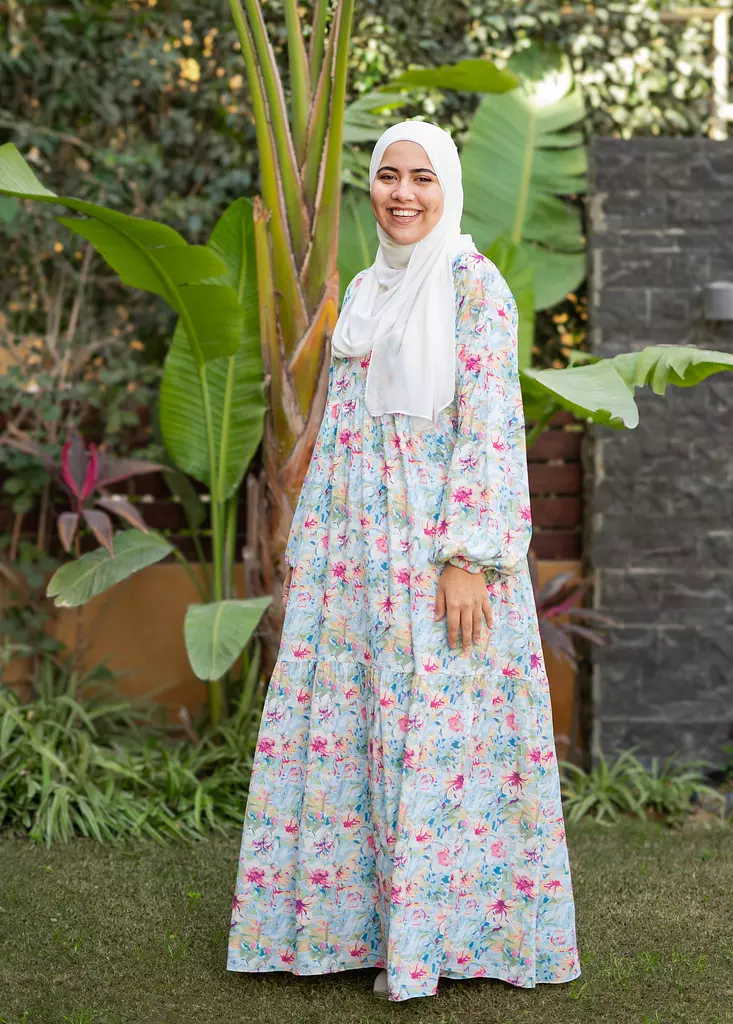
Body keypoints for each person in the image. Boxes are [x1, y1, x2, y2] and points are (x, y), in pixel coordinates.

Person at [227, 120, 580, 1002]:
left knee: (438, 738)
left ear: (447, 186)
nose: (403, 194)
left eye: (422, 177)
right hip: (356, 556)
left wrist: (469, 556)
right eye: (387, 176)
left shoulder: (472, 286)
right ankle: (352, 926)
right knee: (356, 735)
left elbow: (493, 426)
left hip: (433, 553)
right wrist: (310, 546)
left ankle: (434, 940)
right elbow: (337, 435)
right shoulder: (368, 293)